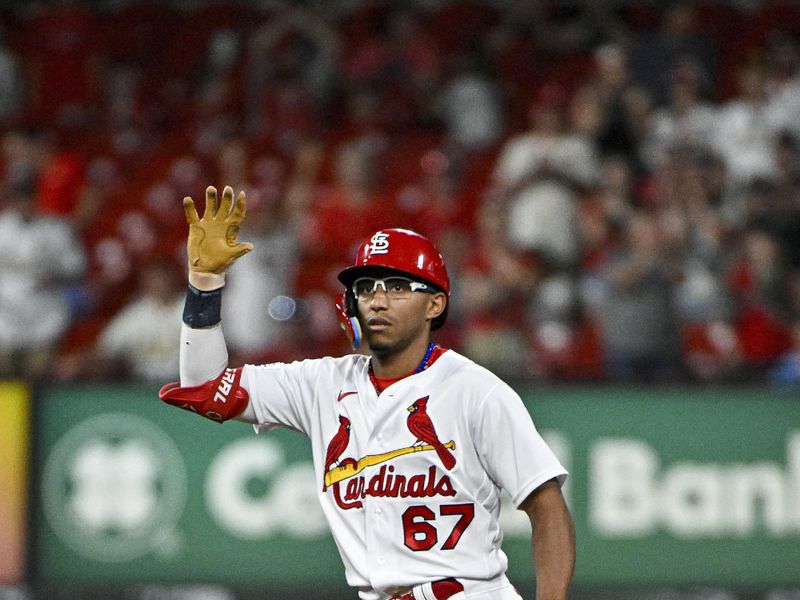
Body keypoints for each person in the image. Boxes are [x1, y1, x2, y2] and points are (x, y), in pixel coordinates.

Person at [158, 185, 575, 600]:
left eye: (396, 286)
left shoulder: (476, 392)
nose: (377, 300)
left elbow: (546, 503)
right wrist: (205, 286)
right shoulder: (321, 384)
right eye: (367, 287)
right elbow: (205, 389)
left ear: (434, 305)